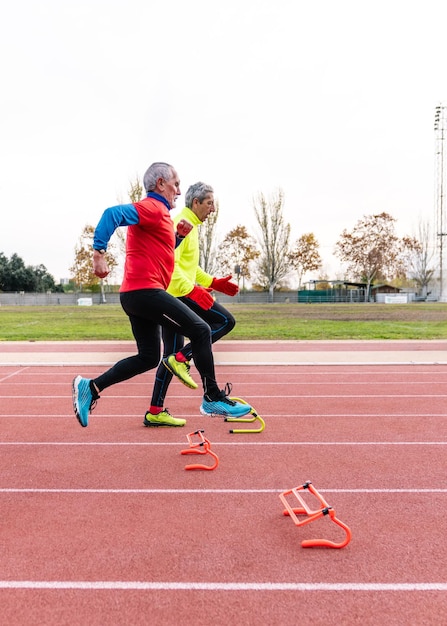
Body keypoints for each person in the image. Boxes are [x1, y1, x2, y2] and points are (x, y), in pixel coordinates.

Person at [72, 162, 252, 428]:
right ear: (160, 184)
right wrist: (98, 253)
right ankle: (212, 397)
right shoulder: (153, 208)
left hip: (134, 295)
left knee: (148, 357)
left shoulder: (161, 218)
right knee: (202, 330)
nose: (179, 191)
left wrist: (177, 239)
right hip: (146, 292)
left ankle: (92, 387)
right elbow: (112, 214)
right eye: (175, 184)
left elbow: (160, 253)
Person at [149, 181, 239, 421]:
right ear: (195, 202)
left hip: (176, 295)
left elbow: (190, 267)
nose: (213, 209)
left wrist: (213, 281)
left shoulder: (192, 225)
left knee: (169, 355)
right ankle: (208, 393)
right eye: (209, 203)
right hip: (178, 296)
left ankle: (155, 411)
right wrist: (192, 290)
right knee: (224, 322)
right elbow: (170, 264)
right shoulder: (182, 223)